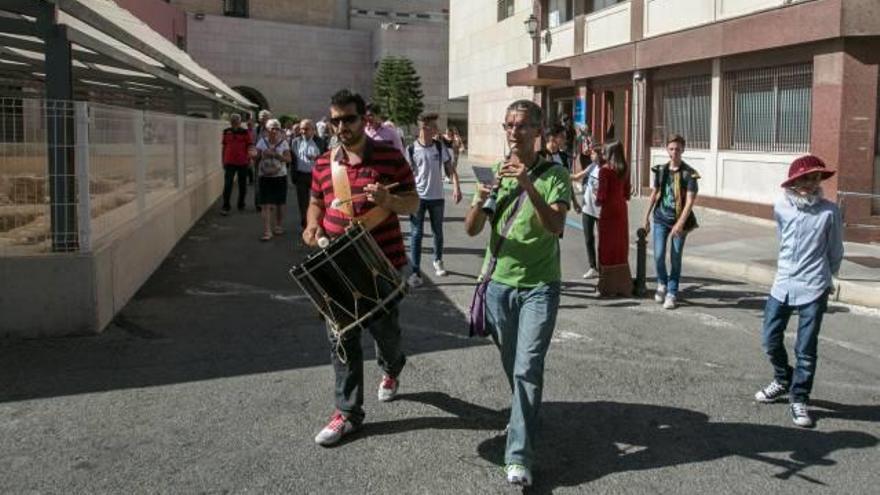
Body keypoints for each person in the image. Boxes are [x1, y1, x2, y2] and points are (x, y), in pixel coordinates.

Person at [303, 89, 418, 447]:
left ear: (363, 119)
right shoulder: (323, 163)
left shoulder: (389, 156)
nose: (341, 126)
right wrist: (311, 226)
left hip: (383, 263)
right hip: (338, 266)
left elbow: (412, 203)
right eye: (335, 120)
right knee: (342, 338)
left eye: (348, 119)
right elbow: (315, 203)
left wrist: (389, 200)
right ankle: (348, 413)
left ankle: (392, 367)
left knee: (386, 333)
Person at [464, 99, 571, 488]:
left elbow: (556, 224)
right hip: (498, 285)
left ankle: (518, 455)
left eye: (522, 125)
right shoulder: (496, 172)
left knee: (527, 367)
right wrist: (479, 197)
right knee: (514, 366)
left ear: (538, 131)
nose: (513, 131)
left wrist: (528, 183)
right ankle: (527, 411)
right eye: (508, 125)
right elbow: (473, 229)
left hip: (539, 287)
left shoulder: (555, 174)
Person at [754, 155, 843, 428]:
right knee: (770, 338)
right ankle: (783, 379)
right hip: (782, 283)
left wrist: (829, 279)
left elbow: (835, 251)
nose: (811, 183)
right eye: (805, 178)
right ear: (794, 181)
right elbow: (783, 238)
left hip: (814, 285)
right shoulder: (781, 206)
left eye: (815, 178)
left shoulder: (829, 211)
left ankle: (799, 397)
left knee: (806, 348)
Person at [405, 113, 462, 287]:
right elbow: (406, 176)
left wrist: (456, 187)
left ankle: (438, 261)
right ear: (424, 128)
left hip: (437, 197)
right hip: (418, 198)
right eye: (433, 127)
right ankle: (415, 272)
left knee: (438, 232)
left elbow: (449, 167)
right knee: (416, 234)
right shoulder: (411, 149)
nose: (436, 130)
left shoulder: (439, 147)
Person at [643, 134, 700, 310]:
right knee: (658, 255)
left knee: (675, 258)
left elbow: (690, 202)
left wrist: (680, 224)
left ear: (683, 150)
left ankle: (672, 292)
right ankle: (662, 283)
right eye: (671, 148)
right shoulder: (661, 170)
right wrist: (646, 217)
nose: (674, 152)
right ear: (667, 149)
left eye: (678, 149)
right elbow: (655, 194)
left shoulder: (689, 174)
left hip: (679, 222)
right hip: (660, 218)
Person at [595, 141, 632, 297]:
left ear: (609, 154)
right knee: (620, 246)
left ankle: (606, 286)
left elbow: (601, 196)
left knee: (606, 246)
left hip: (609, 210)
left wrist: (596, 198)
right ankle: (622, 285)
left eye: (604, 152)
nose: (602, 155)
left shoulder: (605, 171)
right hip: (621, 209)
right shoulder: (624, 169)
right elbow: (627, 193)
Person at [254, 119, 291, 241]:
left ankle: (278, 225)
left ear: (280, 130)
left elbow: (288, 159)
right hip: (264, 176)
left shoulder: (284, 143)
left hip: (280, 176)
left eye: (277, 128)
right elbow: (256, 157)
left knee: (279, 203)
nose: (274, 131)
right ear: (266, 130)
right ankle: (267, 231)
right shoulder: (261, 142)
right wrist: (260, 154)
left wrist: (276, 155)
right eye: (271, 128)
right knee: (265, 204)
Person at [570, 144, 602, 279]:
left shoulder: (606, 169)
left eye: (594, 153)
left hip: (601, 210)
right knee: (589, 239)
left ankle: (603, 268)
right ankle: (592, 267)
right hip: (587, 208)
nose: (591, 155)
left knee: (602, 241)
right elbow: (578, 177)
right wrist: (563, 173)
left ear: (600, 155)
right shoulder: (592, 166)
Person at [289, 119, 326, 230]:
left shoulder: (320, 142)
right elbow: (293, 160)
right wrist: (293, 175)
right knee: (303, 202)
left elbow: (327, 158)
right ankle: (305, 225)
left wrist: (317, 158)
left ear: (313, 130)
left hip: (316, 176)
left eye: (306, 129)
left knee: (318, 201)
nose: (303, 131)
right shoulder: (295, 141)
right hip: (300, 175)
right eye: (301, 129)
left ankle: (319, 224)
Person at [220, 113, 254, 215]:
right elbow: (224, 147)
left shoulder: (245, 132)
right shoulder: (226, 132)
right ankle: (226, 206)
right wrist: (223, 160)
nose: (234, 121)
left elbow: (250, 146)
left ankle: (241, 203)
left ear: (240, 122)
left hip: (242, 162)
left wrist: (250, 160)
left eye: (236, 120)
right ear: (230, 121)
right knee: (228, 185)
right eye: (233, 120)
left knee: (242, 185)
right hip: (229, 162)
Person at [252, 109, 274, 211]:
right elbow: (252, 144)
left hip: (271, 159)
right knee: (258, 182)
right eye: (261, 118)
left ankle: (269, 202)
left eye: (265, 118)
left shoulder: (273, 130)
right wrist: (253, 157)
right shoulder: (256, 130)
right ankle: (259, 203)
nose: (263, 121)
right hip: (259, 159)